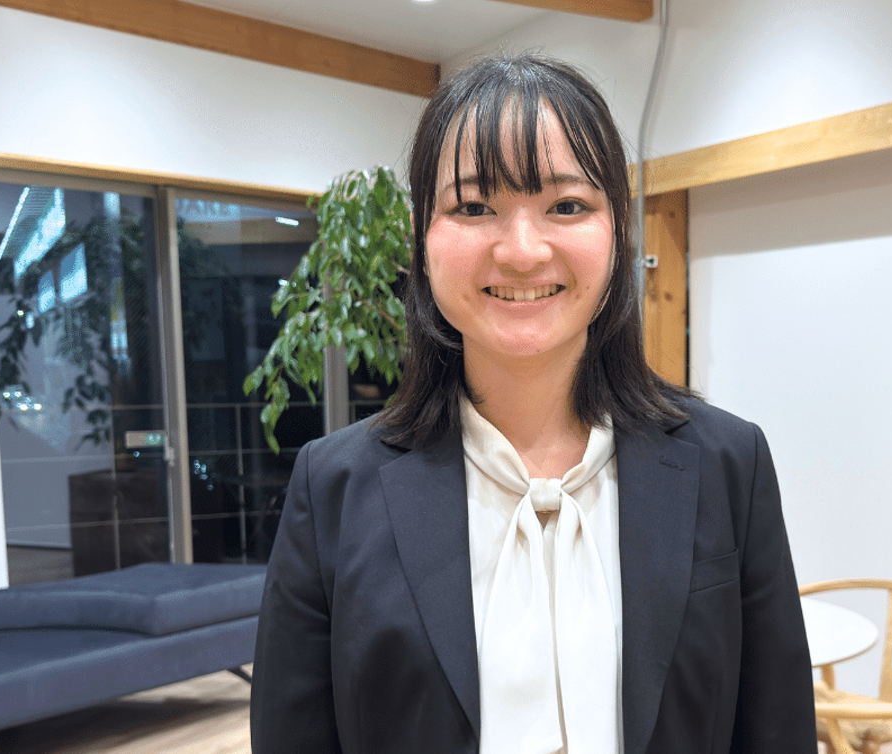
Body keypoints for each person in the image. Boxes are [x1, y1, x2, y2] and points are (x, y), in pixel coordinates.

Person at [250, 53, 815, 754]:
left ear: (618, 231)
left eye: (567, 206)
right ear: (423, 238)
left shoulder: (728, 463)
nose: (521, 251)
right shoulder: (333, 487)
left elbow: (777, 729)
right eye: (473, 207)